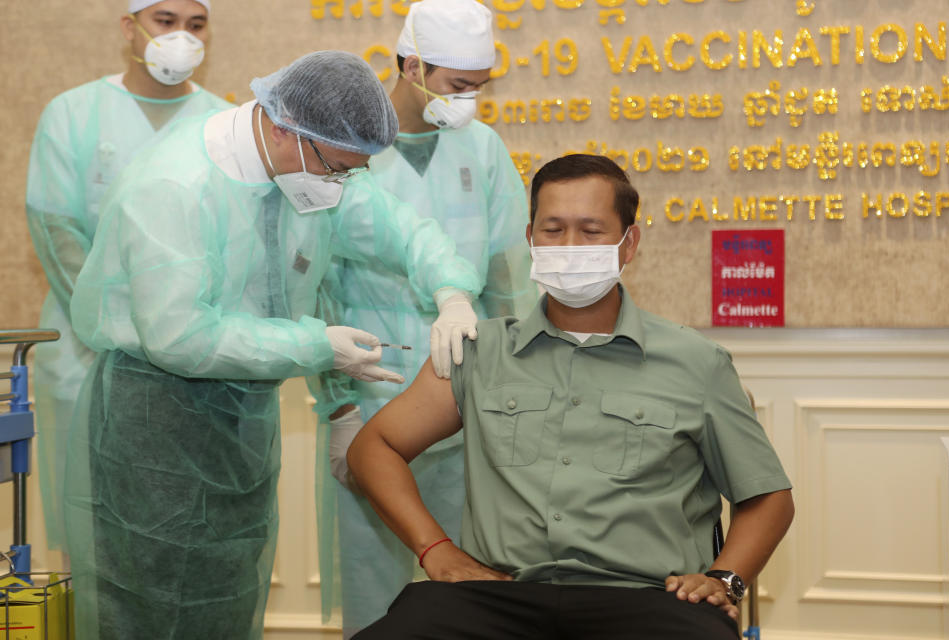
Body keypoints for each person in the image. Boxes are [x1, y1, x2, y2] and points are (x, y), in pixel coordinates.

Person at [62, 50, 483, 640]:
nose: (341, 182)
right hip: (155, 419)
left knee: (231, 592)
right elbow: (178, 335)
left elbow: (401, 230)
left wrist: (453, 292)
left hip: (242, 416)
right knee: (151, 602)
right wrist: (317, 346)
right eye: (338, 167)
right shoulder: (174, 185)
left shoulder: (310, 170)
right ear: (288, 128)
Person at [347, 154, 795, 639]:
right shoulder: (479, 352)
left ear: (629, 244)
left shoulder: (697, 362)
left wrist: (723, 579)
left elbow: (769, 497)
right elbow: (374, 447)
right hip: (498, 597)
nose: (570, 246)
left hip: (648, 600)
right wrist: (435, 549)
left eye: (591, 230)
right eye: (554, 230)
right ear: (530, 240)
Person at [312, 0, 537, 635]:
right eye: (457, 86)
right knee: (374, 581)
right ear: (411, 65)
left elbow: (507, 278)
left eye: (479, 88)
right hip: (370, 389)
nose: (469, 101)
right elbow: (315, 286)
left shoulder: (482, 148)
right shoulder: (346, 148)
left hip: (466, 394)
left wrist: (514, 384)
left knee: (467, 575)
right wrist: (336, 405)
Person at [25, 0, 230, 561]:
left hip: (192, 368)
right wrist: (120, 331)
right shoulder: (73, 113)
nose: (181, 37)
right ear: (130, 28)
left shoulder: (223, 123)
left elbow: (233, 245)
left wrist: (174, 335)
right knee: (92, 534)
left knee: (186, 532)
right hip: (85, 354)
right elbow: (56, 231)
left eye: (196, 24)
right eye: (165, 21)